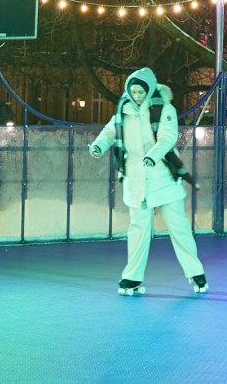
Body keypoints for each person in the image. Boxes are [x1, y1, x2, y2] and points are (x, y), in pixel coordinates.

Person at [89, 67, 207, 295]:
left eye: (140, 91)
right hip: (136, 179)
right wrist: (98, 145)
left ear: (149, 90)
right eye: (133, 91)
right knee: (138, 230)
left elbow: (168, 136)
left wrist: (153, 155)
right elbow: (110, 132)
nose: (136, 95)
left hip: (162, 178)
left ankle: (196, 273)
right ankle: (132, 278)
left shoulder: (164, 108)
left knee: (178, 227)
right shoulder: (123, 110)